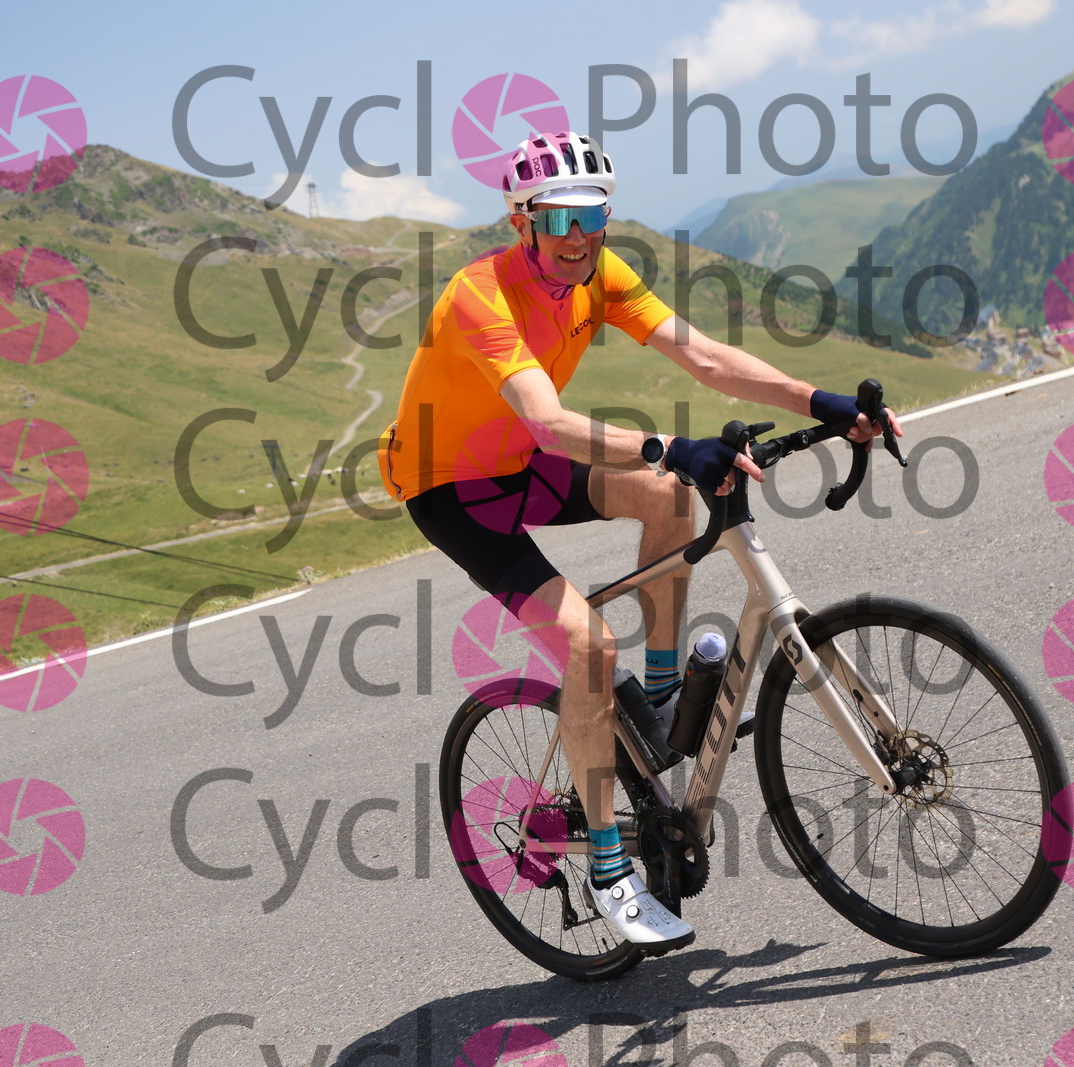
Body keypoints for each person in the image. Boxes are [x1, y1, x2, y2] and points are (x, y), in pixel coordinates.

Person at [378, 131, 899, 955]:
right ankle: (609, 867)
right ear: (522, 223)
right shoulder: (479, 296)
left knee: (671, 497)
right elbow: (547, 421)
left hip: (521, 466)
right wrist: (669, 444)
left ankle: (658, 697)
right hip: (453, 490)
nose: (579, 236)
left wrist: (822, 402)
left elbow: (704, 357)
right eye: (560, 220)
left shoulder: (600, 275)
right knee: (588, 644)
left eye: (592, 216)